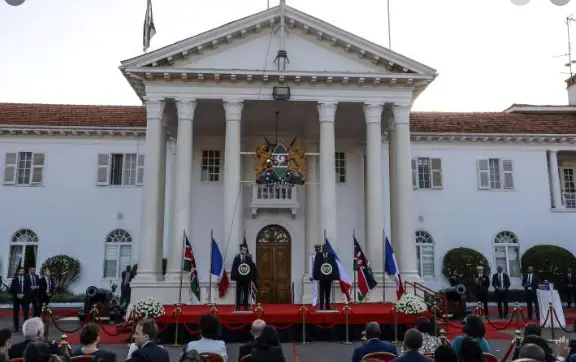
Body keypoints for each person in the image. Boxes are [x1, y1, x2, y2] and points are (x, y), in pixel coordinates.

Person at [312, 244, 339, 310]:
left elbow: (334, 266)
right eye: (324, 248)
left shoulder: (331, 256)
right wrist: (315, 275)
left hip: (329, 277)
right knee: (321, 292)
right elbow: (316, 266)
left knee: (328, 292)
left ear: (328, 249)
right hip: (321, 277)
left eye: (326, 248)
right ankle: (321, 306)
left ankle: (328, 306)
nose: (325, 249)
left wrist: (335, 275)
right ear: (322, 249)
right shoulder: (318, 255)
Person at [231, 244, 256, 311]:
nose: (245, 251)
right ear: (240, 250)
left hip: (246, 279)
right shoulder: (236, 258)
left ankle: (246, 307)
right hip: (239, 279)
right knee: (238, 293)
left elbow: (251, 267)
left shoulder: (249, 258)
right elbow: (234, 267)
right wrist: (234, 277)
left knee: (246, 293)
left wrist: (252, 277)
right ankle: (237, 307)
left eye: (245, 250)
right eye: (243, 250)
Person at [10, 266, 29, 332]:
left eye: (23, 271)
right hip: (16, 299)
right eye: (21, 271)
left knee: (26, 313)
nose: (22, 272)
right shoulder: (14, 279)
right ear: (18, 272)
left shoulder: (27, 279)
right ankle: (16, 328)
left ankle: (25, 328)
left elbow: (29, 289)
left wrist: (24, 294)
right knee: (15, 314)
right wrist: (17, 294)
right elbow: (11, 289)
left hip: (25, 299)